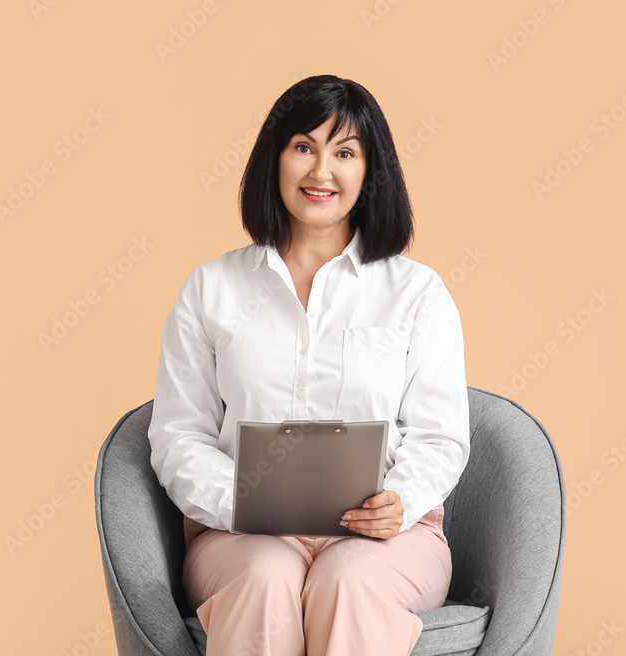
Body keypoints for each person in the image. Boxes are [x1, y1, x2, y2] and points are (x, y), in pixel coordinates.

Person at [146, 74, 470, 656]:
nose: (322, 172)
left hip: (388, 538)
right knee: (267, 577)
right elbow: (177, 434)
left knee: (346, 580)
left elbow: (441, 436)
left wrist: (398, 500)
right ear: (276, 159)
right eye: (304, 147)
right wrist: (239, 503)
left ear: (371, 173)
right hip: (240, 534)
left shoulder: (418, 294)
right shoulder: (210, 288)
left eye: (345, 152)